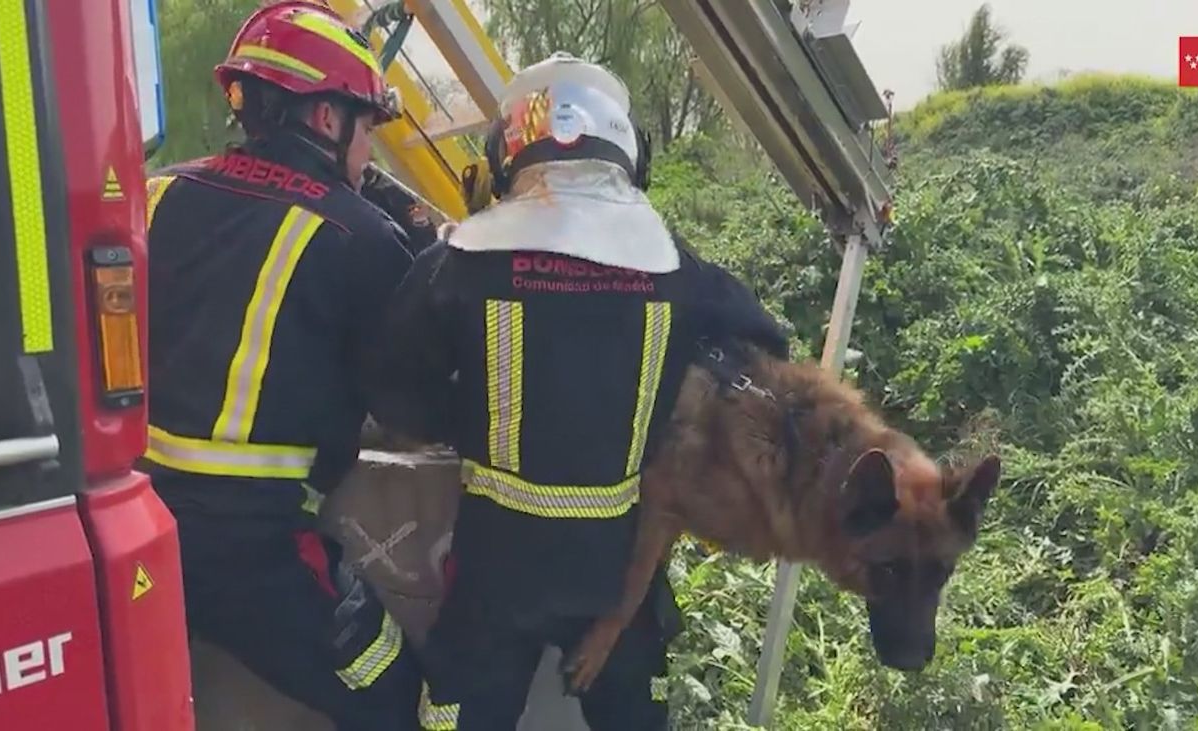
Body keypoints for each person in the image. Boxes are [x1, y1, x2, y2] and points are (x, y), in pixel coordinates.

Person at [364, 52, 791, 730]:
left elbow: (393, 395)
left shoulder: (459, 262)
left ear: (506, 155)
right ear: (628, 151)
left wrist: (471, 419)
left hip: (497, 567)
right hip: (614, 568)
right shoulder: (676, 268)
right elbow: (765, 349)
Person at [140, 3, 454, 728]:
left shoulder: (156, 192)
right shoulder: (359, 236)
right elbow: (409, 401)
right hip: (247, 549)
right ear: (326, 118)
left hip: (132, 524)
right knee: (395, 689)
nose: (369, 151)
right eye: (368, 128)